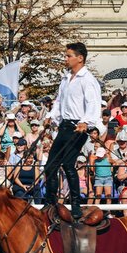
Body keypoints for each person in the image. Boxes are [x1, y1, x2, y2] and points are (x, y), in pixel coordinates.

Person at [43, 42, 102, 220]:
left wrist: (85, 121)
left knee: (68, 163)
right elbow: (60, 101)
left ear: (80, 58)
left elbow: (93, 104)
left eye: (69, 56)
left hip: (78, 127)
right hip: (65, 126)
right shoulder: (66, 78)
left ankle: (75, 203)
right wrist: (51, 116)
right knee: (50, 164)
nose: (66, 59)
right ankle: (51, 202)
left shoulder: (88, 79)